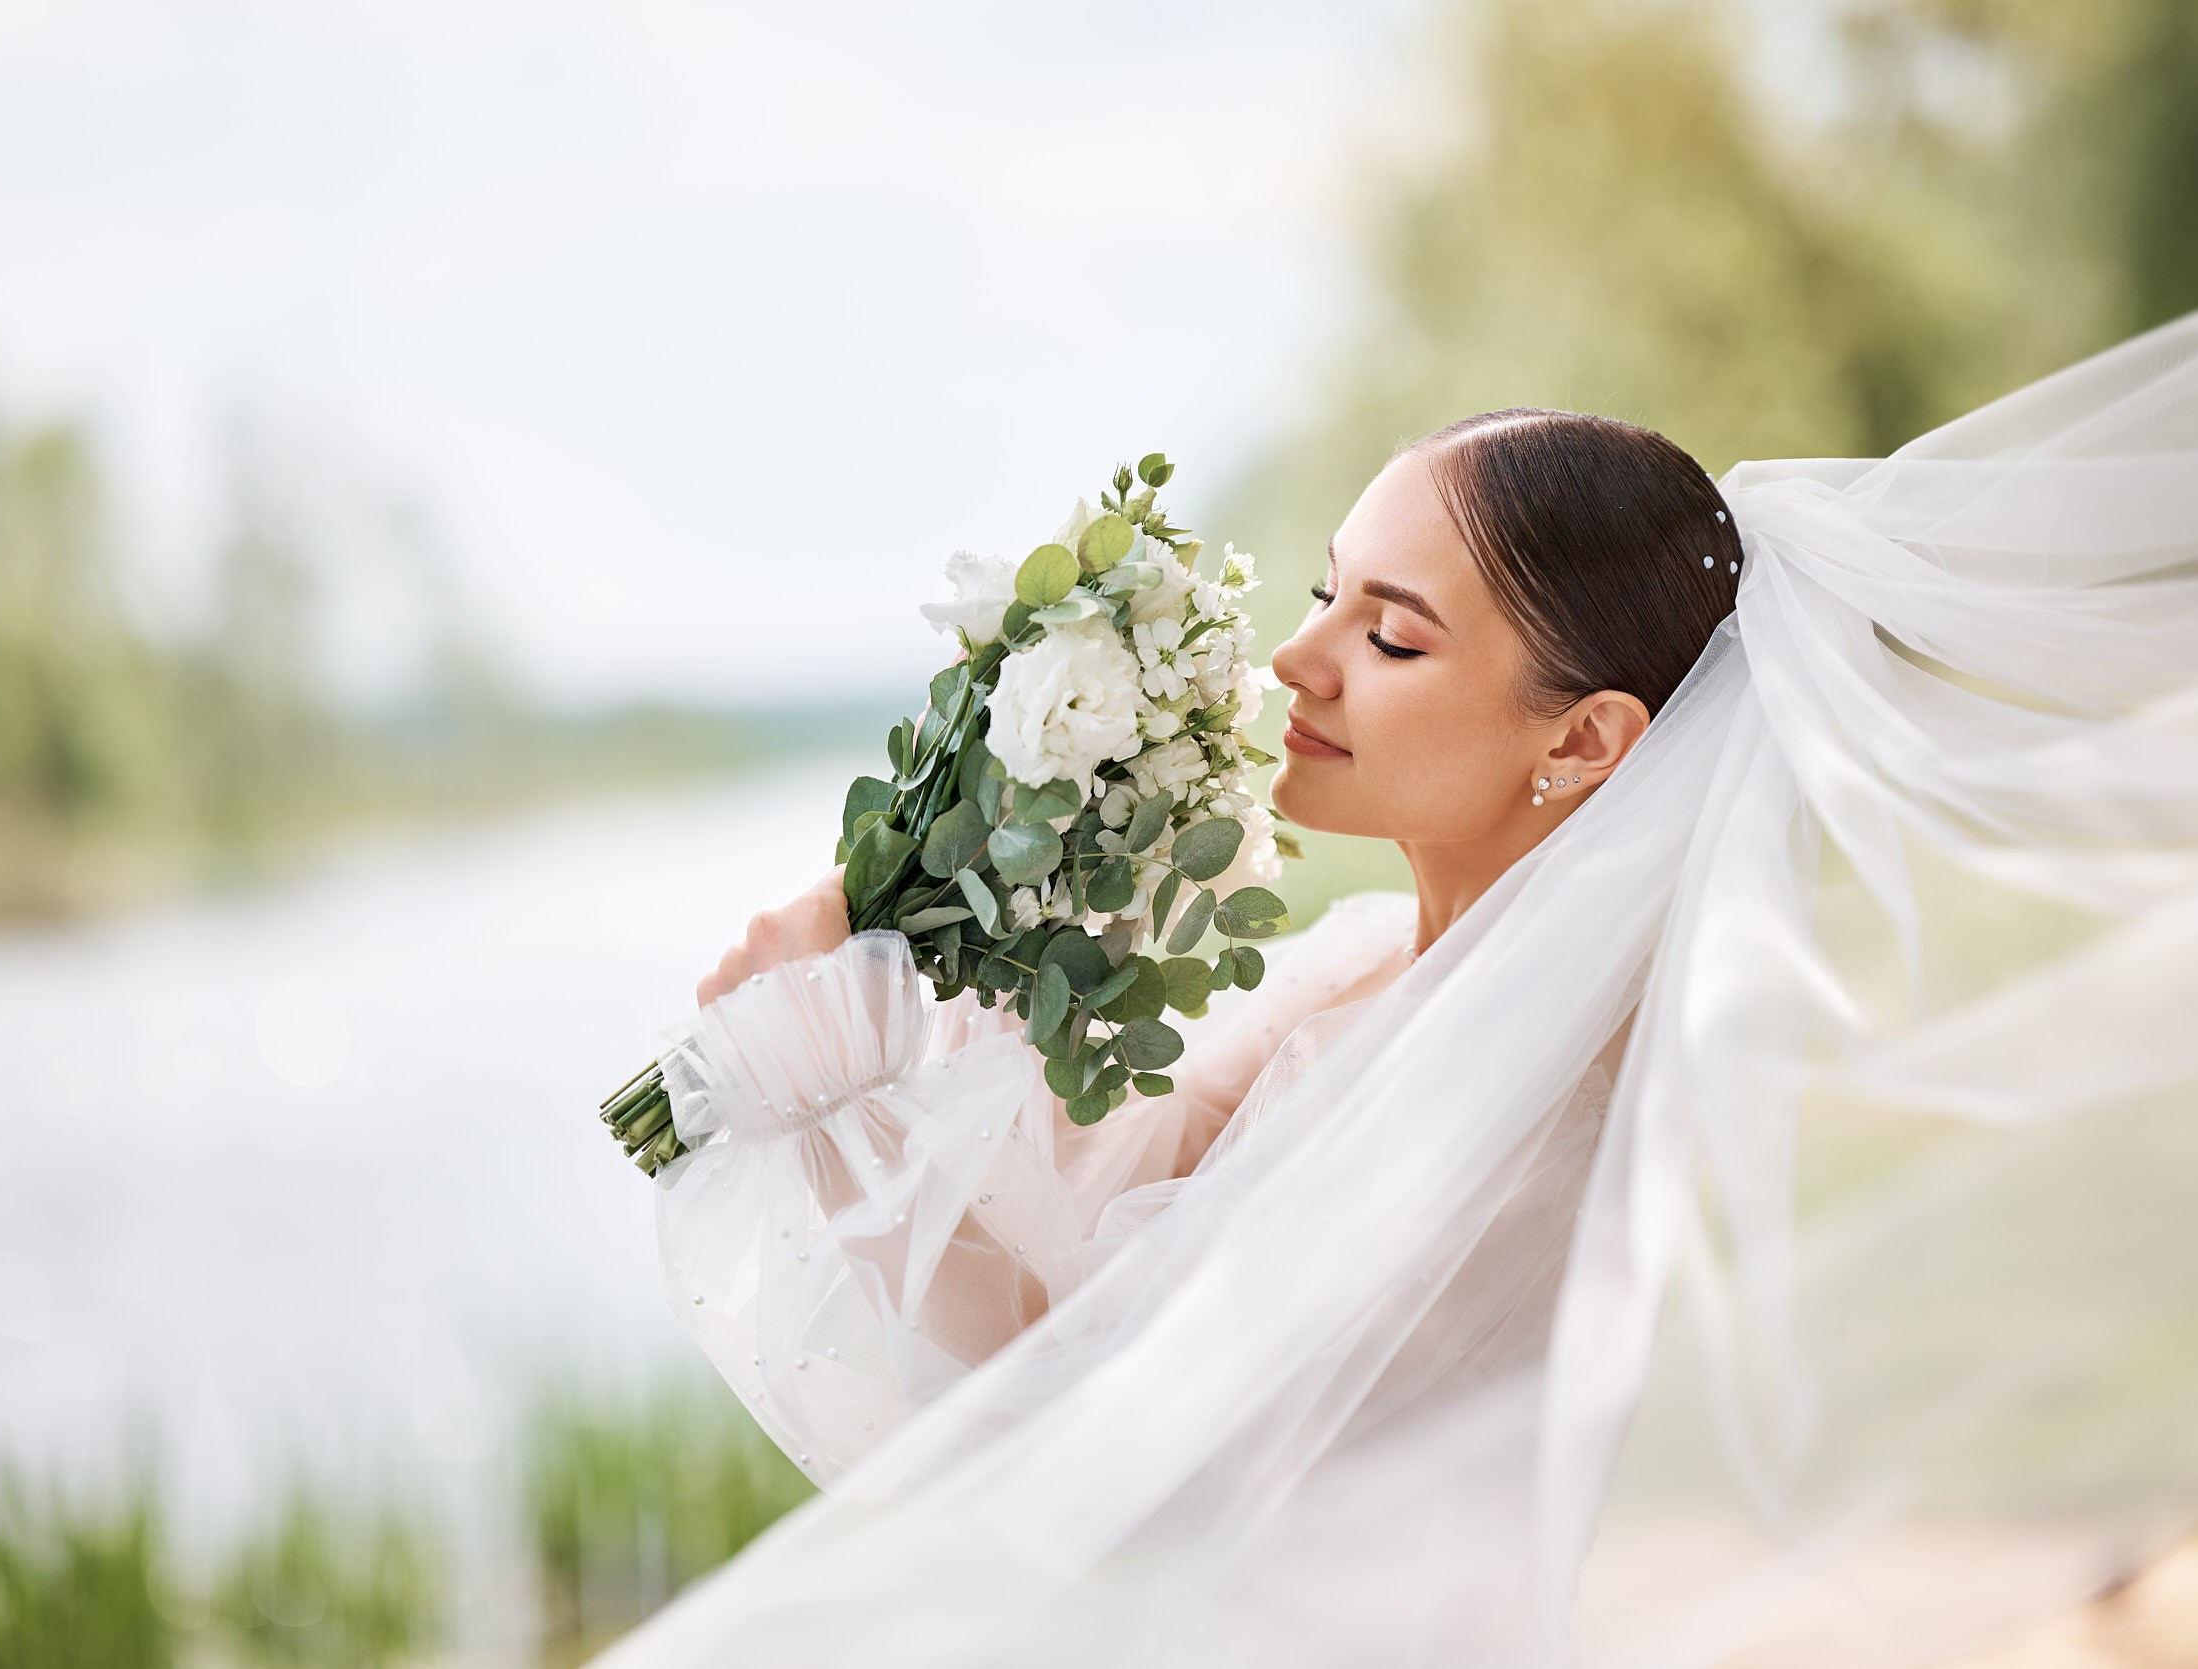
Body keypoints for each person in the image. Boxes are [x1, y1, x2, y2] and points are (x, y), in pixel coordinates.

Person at [599, 312, 2198, 1667]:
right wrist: (947, 996)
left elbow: (1072, 1407)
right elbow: (1077, 1244)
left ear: (1583, 743)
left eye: (1394, 637)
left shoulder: (1526, 1105)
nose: (1301, 665)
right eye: (1324, 594)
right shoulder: (1364, 965)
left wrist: (843, 1073)